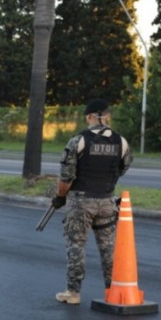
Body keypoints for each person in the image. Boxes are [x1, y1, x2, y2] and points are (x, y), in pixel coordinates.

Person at [52, 99, 132, 305]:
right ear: (107, 116)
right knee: (108, 248)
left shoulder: (78, 141)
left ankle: (73, 292)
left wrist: (60, 197)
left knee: (76, 246)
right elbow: (123, 167)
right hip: (107, 201)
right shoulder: (121, 141)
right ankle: (113, 290)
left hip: (81, 202)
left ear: (89, 117)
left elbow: (66, 177)